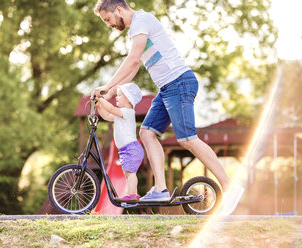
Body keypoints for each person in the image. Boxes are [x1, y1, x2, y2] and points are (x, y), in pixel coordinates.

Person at [91, 0, 244, 214]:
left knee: (188, 139)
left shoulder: (141, 21)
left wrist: (107, 85)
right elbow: (134, 69)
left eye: (108, 19)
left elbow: (133, 60)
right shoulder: (135, 31)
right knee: (146, 133)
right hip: (167, 88)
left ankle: (230, 187)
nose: (109, 24)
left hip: (179, 82)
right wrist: (110, 91)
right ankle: (161, 189)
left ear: (118, 9)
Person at [96, 83, 144, 202]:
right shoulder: (120, 114)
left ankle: (132, 195)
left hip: (131, 148)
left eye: (119, 95)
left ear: (128, 99)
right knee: (128, 174)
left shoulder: (127, 111)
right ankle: (132, 194)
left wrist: (101, 99)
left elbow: (111, 109)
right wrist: (99, 106)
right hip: (125, 150)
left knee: (130, 173)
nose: (116, 97)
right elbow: (107, 115)